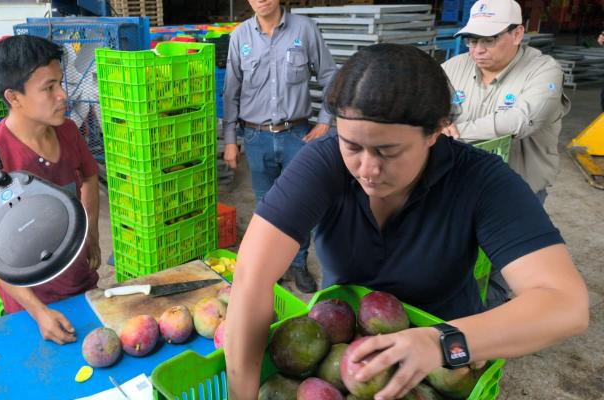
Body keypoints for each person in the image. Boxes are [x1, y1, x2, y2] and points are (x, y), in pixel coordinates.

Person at [224, 43, 588, 400]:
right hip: (341, 345)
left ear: (435, 131)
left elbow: (565, 304)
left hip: (444, 365)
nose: (367, 169)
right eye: (352, 146)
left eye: (388, 151)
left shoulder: (480, 180)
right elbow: (252, 276)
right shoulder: (322, 163)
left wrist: (442, 341)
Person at [0, 35, 101, 345]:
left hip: (78, 279)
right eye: (49, 88)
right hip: (31, 305)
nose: (63, 96)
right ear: (14, 97)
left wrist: (91, 234)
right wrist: (38, 312)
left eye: (60, 83)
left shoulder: (68, 131)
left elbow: (90, 177)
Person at [222, 0, 337, 293]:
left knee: (301, 205)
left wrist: (325, 120)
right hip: (256, 137)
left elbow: (330, 77)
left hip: (297, 135)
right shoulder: (240, 37)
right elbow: (231, 93)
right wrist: (231, 141)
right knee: (266, 207)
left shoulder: (305, 30)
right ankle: (274, 264)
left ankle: (298, 264)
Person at [441, 0, 570, 205]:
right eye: (472, 40)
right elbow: (424, 105)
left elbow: (522, 119)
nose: (478, 50)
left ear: (517, 34)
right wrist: (439, 123)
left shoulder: (544, 71)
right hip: (459, 185)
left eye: (489, 39)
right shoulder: (453, 67)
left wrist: (449, 134)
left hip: (516, 192)